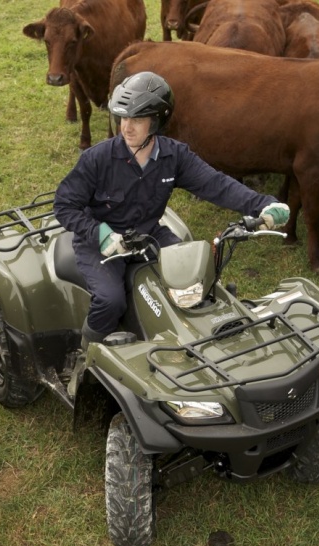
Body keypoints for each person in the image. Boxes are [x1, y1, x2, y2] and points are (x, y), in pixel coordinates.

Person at [53, 70, 290, 349]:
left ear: (157, 121)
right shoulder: (97, 158)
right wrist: (100, 234)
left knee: (196, 278)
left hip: (149, 235)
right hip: (99, 243)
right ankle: (86, 353)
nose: (126, 127)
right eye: (123, 118)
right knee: (110, 300)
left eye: (137, 119)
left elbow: (216, 184)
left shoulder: (174, 156)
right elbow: (64, 205)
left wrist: (263, 204)